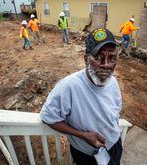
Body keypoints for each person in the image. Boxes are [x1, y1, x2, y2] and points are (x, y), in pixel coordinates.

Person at [40, 28, 123, 165]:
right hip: (86, 155)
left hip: (114, 146)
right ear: (86, 59)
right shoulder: (69, 87)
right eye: (99, 58)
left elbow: (115, 113)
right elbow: (48, 117)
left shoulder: (113, 82)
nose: (106, 65)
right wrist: (83, 135)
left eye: (112, 58)